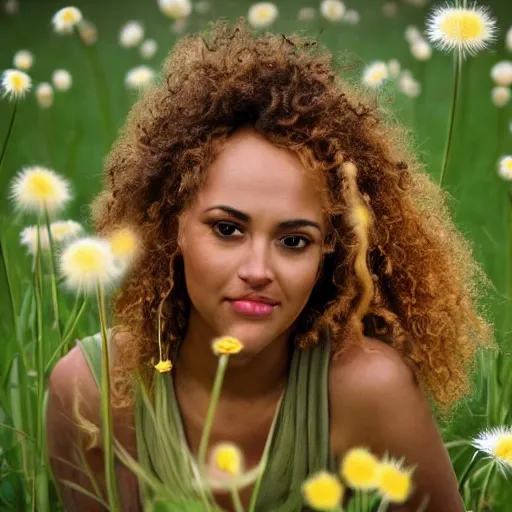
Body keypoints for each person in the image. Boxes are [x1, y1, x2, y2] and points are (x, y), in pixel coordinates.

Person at [45, 17, 492, 512]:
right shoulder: (93, 393)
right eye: (228, 229)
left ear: (331, 252)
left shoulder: (369, 392)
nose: (259, 269)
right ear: (171, 227)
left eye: (294, 240)